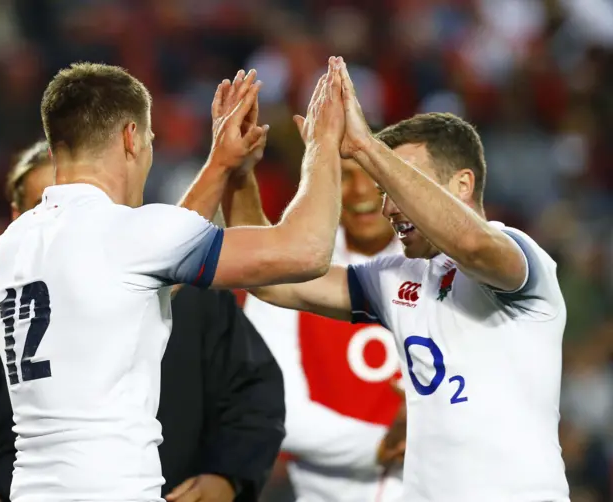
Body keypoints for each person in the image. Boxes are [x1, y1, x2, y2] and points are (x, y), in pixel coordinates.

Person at [0, 57, 345, 502]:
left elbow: (140, 277)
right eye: (151, 138)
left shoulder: (15, 241)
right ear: (131, 138)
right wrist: (324, 145)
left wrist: (219, 164)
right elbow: (306, 251)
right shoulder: (126, 235)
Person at [223, 63, 570, 502]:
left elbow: (472, 244)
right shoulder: (398, 280)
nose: (387, 207)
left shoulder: (519, 258)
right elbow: (272, 279)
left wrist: (366, 146)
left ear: (463, 184)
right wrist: (241, 173)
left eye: (397, 183)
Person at [0, 138, 286, 502]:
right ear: (16, 218)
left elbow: (254, 396)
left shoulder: (196, 302)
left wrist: (228, 477)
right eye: (46, 208)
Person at [243, 154, 406, 501]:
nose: (361, 190)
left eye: (375, 177)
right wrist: (379, 446)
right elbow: (272, 404)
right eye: (345, 176)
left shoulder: (443, 270)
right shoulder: (288, 272)